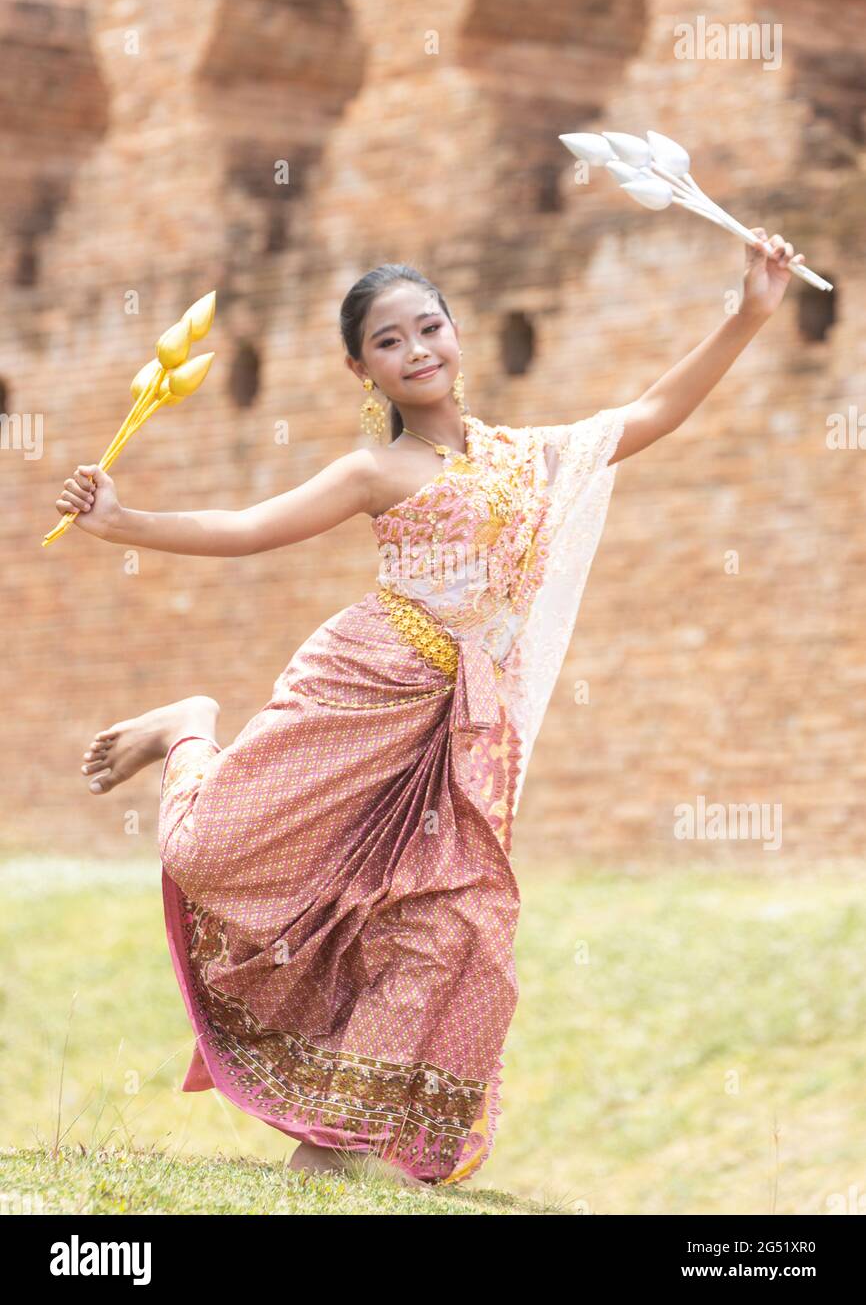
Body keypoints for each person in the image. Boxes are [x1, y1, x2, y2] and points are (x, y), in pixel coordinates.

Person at [54, 233, 803, 1190]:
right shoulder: (378, 471)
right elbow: (247, 530)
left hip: (460, 728)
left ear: (457, 334)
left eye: (429, 327)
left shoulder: (533, 459)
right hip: (360, 686)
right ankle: (188, 728)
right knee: (206, 854)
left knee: (459, 927)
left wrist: (749, 311)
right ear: (359, 367)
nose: (417, 350)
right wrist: (122, 523)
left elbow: (652, 412)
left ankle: (347, 1145)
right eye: (388, 340)